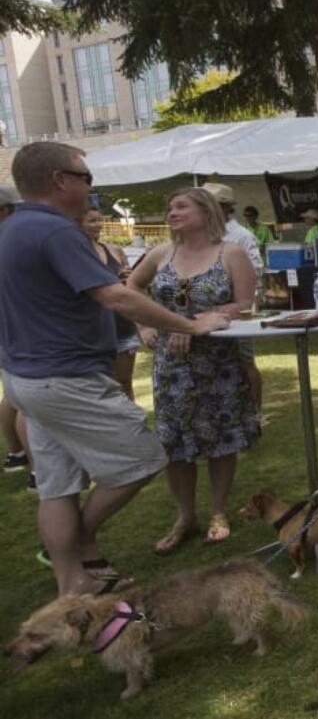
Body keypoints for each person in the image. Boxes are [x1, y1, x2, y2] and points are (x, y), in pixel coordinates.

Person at [0, 142, 230, 595]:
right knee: (143, 458)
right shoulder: (56, 231)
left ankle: (74, 585)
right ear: (59, 181)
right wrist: (190, 325)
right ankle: (85, 538)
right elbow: (116, 296)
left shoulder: (10, 229)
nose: (91, 188)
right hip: (66, 377)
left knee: (56, 485)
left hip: (25, 378)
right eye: (86, 178)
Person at [128, 187, 260, 554]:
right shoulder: (160, 254)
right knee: (175, 442)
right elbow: (132, 288)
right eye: (170, 206)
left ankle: (218, 511)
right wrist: (145, 325)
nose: (172, 212)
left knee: (220, 436)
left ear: (206, 212)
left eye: (181, 206)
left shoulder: (230, 253)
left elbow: (245, 302)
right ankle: (185, 516)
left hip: (217, 361)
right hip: (172, 365)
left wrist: (204, 318)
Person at [202, 183, 266, 421]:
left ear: (224, 208)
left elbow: (256, 270)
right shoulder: (201, 235)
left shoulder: (241, 236)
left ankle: (255, 414)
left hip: (236, 311)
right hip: (205, 313)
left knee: (244, 361)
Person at [81, 208, 140, 400]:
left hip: (122, 326)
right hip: (92, 332)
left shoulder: (114, 250)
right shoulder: (75, 254)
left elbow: (130, 287)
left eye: (99, 220)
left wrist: (129, 278)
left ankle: (131, 426)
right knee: (100, 387)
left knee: (124, 382)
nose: (98, 225)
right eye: (91, 221)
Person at [0, 183, 31, 481]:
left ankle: (16, 453)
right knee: (25, 401)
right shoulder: (11, 240)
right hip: (20, 333)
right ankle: (37, 470)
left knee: (13, 395)